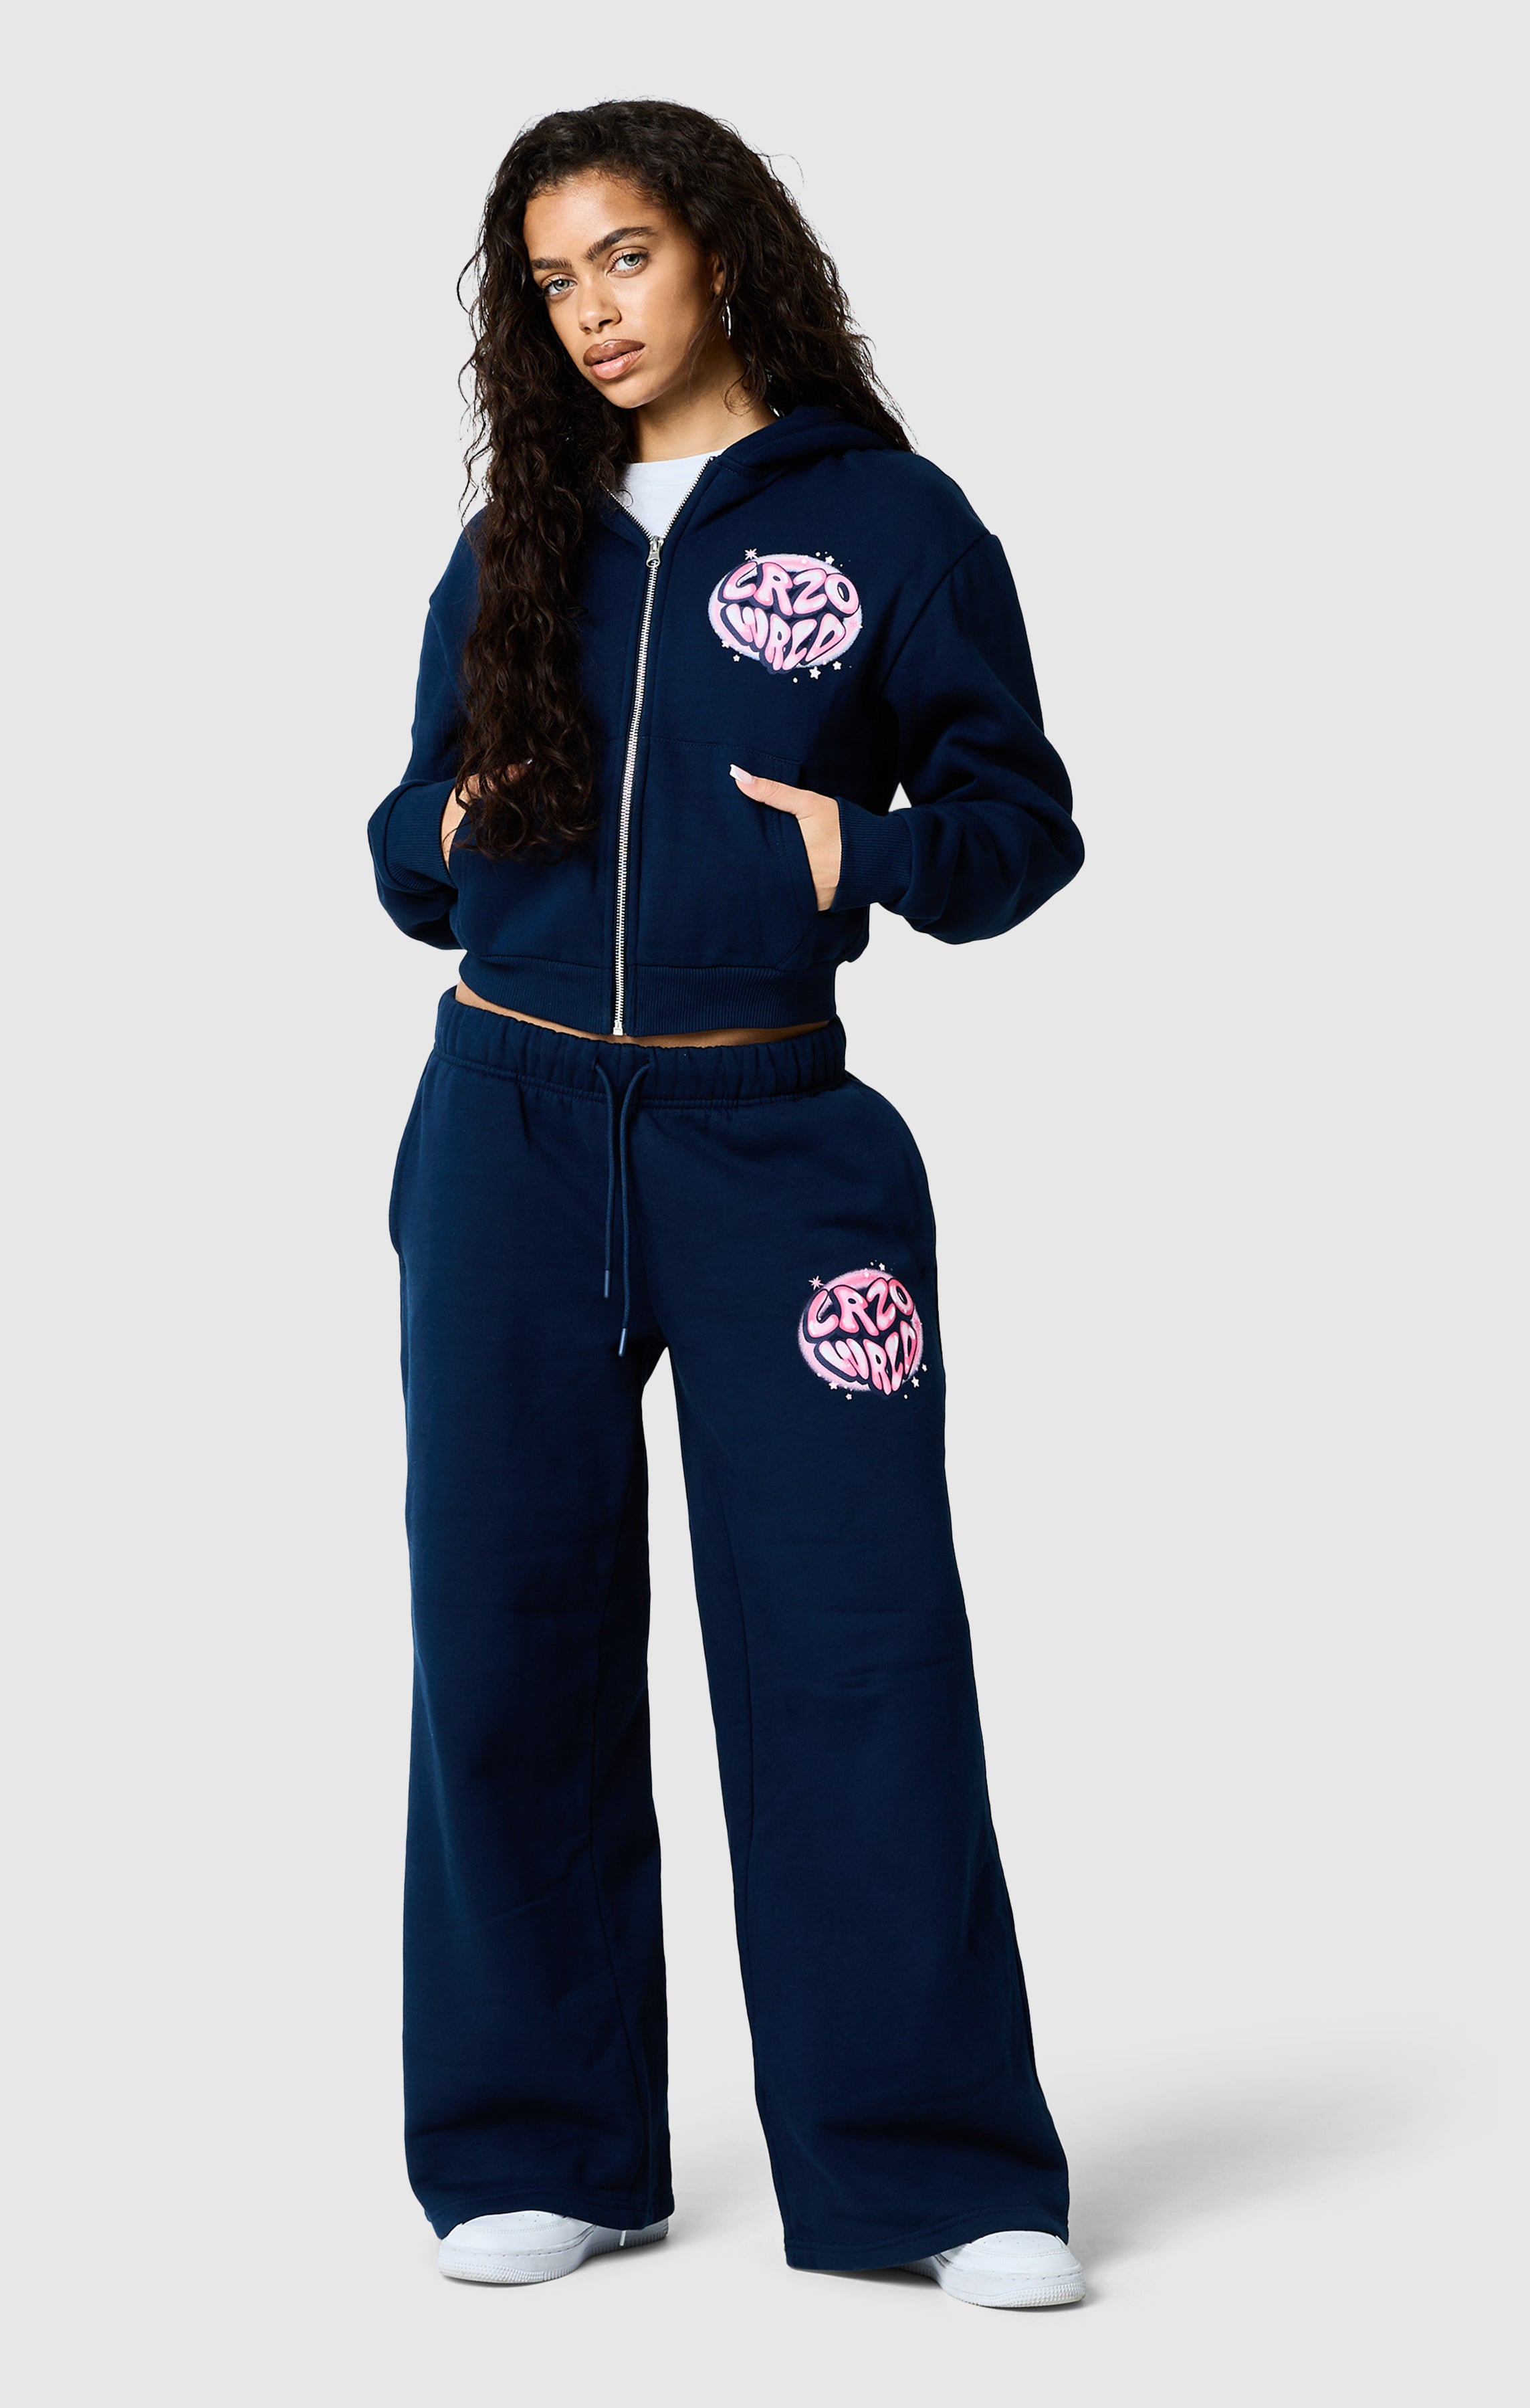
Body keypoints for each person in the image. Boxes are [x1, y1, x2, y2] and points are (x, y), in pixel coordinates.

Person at [368, 99, 1086, 2311]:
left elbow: (1021, 823)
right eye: (550, 279)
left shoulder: (892, 523)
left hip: (775, 1141)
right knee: (507, 1633)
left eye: (625, 258)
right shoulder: (525, 533)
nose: (589, 312)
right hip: (504, 1131)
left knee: (857, 1646)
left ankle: (931, 2170)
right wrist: (451, 820)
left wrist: (866, 850)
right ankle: (542, 2145)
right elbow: (408, 851)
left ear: (722, 253)